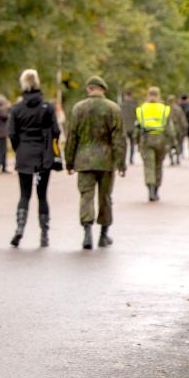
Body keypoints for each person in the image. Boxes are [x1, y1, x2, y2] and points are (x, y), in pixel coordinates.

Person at [65, 76, 125, 250]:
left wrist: (69, 162)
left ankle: (87, 233)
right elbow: (119, 139)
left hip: (83, 160)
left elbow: (72, 137)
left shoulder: (78, 108)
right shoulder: (113, 108)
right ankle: (104, 235)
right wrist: (121, 163)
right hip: (106, 160)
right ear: (103, 90)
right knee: (105, 197)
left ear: (89, 89)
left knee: (86, 196)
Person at [7, 69, 60, 248]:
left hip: (25, 153)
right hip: (44, 154)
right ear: (38, 83)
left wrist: (19, 149)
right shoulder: (48, 107)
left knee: (24, 194)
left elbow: (12, 134)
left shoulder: (17, 109)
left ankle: (19, 229)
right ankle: (44, 234)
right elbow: (56, 131)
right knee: (42, 195)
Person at [136, 87, 176, 202]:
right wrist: (173, 142)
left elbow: (137, 128)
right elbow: (169, 128)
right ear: (159, 96)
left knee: (149, 165)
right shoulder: (164, 109)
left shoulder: (141, 109)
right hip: (161, 140)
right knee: (158, 165)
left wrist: (137, 142)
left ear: (148, 95)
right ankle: (156, 190)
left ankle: (150, 190)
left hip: (146, 139)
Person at [166, 94, 187, 166]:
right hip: (178, 128)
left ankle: (171, 159)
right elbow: (183, 120)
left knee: (169, 144)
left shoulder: (166, 109)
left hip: (169, 128)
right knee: (178, 143)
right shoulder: (178, 109)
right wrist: (184, 128)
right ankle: (177, 158)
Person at [119, 91, 138, 165]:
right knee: (132, 144)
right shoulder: (134, 106)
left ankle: (123, 159)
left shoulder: (121, 105)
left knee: (123, 144)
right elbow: (137, 116)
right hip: (132, 127)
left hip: (124, 128)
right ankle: (131, 159)